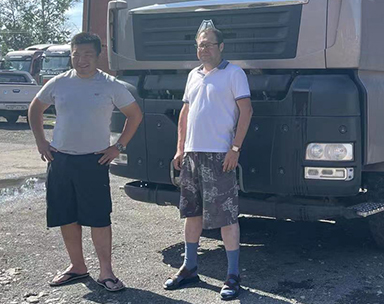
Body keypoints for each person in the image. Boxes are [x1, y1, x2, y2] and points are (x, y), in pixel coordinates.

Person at [28, 32, 142, 293]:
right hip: (60, 159)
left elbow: (135, 115)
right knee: (66, 216)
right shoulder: (59, 83)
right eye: (76, 54)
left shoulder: (111, 85)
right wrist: (41, 141)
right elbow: (35, 109)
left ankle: (106, 272)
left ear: (98, 56)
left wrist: (118, 147)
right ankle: (77, 266)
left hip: (94, 161)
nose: (81, 60)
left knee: (99, 218)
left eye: (88, 54)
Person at [164, 25, 253, 301]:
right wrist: (180, 148)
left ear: (221, 47)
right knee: (192, 213)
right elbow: (185, 113)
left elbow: (246, 111)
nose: (203, 49)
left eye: (209, 44)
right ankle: (190, 267)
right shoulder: (193, 75)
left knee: (227, 216)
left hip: (219, 156)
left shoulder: (234, 73)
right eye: (200, 45)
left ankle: (233, 275)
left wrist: (235, 149)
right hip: (192, 155)